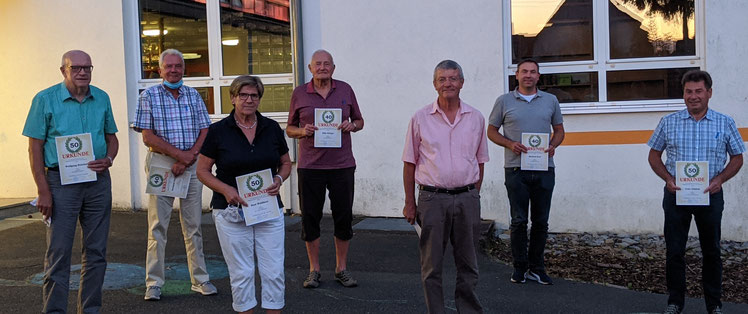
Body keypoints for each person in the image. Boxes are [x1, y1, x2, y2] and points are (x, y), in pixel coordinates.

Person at [23, 50, 119, 313]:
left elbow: (112, 138)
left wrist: (109, 159)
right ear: (63, 70)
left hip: (98, 181)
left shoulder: (102, 97)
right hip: (59, 183)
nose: (82, 72)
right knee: (59, 254)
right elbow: (35, 149)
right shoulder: (44, 99)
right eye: (76, 67)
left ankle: (90, 310)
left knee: (97, 252)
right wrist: (43, 191)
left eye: (87, 67)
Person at [647, 70, 745, 314]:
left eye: (698, 91)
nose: (693, 96)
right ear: (683, 94)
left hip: (710, 195)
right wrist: (668, 179)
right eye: (688, 92)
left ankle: (714, 305)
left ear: (709, 93)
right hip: (676, 195)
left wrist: (720, 179)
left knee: (711, 251)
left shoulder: (725, 122)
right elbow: (654, 155)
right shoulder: (668, 122)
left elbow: (737, 158)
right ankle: (675, 303)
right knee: (675, 252)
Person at [197, 75, 292, 313]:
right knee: (242, 273)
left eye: (254, 95)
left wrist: (279, 179)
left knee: (273, 271)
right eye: (243, 95)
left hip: (268, 209)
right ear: (232, 98)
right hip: (231, 212)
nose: (249, 100)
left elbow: (286, 163)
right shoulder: (218, 131)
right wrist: (225, 189)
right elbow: (202, 171)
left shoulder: (271, 128)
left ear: (259, 99)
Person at [402, 60, 489, 314]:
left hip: (467, 199)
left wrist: (473, 195)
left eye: (453, 78)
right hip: (432, 199)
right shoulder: (420, 118)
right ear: (434, 84)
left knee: (469, 263)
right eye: (442, 79)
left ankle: (469, 310)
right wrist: (410, 202)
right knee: (431, 267)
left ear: (462, 82)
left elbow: (480, 161)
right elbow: (409, 163)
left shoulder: (476, 118)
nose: (447, 84)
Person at [134, 49, 216, 300]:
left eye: (177, 66)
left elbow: (205, 129)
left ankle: (200, 279)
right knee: (158, 226)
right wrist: (180, 156)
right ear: (159, 70)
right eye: (168, 66)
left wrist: (189, 156)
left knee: (193, 226)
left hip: (191, 165)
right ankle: (154, 283)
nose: (173, 70)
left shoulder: (193, 94)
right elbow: (147, 136)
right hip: (163, 165)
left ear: (183, 68)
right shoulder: (148, 96)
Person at [286, 49, 364, 288]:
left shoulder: (346, 89)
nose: (322, 67)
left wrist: (351, 125)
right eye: (317, 64)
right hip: (310, 166)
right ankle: (314, 270)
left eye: (326, 64)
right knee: (310, 218)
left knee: (343, 217)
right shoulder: (299, 93)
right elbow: (289, 128)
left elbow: (360, 121)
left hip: (342, 165)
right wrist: (302, 131)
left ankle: (341, 269)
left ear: (333, 67)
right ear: (310, 68)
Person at [487, 59, 565, 285]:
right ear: (517, 75)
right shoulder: (504, 101)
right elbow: (491, 131)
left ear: (538, 76)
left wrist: (553, 145)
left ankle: (537, 269)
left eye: (533, 72)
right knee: (518, 221)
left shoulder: (550, 100)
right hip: (515, 169)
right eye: (524, 72)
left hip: (544, 169)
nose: (528, 75)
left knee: (541, 222)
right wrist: (510, 144)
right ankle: (519, 268)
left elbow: (559, 130)